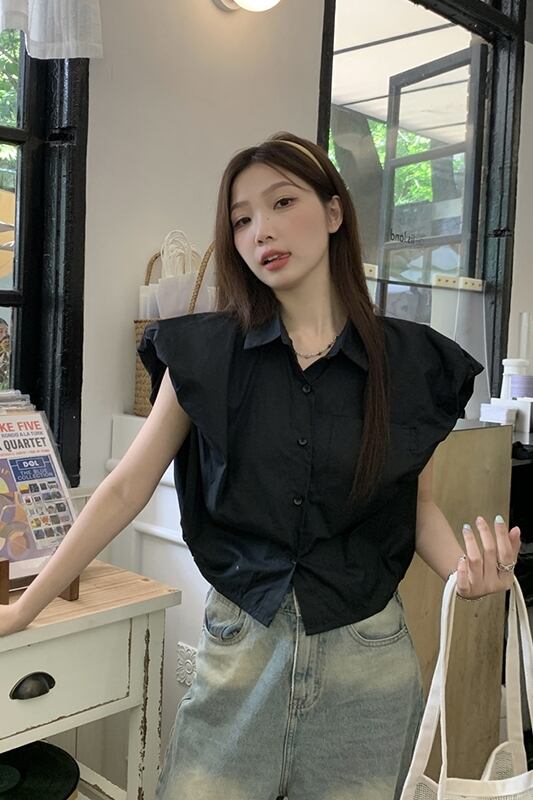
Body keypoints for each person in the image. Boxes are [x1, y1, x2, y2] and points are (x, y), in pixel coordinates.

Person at [0, 132, 521, 800]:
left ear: (333, 211)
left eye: (281, 202)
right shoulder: (206, 355)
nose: (260, 231)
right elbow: (127, 486)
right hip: (242, 645)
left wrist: (465, 576)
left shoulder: (407, 363)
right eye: (241, 219)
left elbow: (412, 504)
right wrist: (26, 609)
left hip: (368, 662)